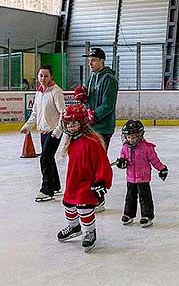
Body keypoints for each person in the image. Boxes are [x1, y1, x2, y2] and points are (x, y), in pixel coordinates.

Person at [56, 104, 112, 253]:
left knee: (84, 207)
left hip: (87, 183)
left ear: (83, 123)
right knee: (68, 204)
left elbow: (103, 164)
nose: (70, 126)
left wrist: (101, 181)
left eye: (74, 123)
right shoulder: (72, 139)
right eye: (68, 123)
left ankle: (89, 231)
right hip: (73, 180)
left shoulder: (92, 142)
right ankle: (75, 227)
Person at [76, 47, 119, 212]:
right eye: (89, 61)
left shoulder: (109, 79)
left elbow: (108, 105)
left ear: (102, 61)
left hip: (103, 127)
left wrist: (94, 114)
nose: (90, 63)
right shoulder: (92, 77)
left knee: (98, 164)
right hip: (90, 126)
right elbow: (88, 101)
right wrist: (84, 99)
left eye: (93, 60)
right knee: (88, 162)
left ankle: (99, 199)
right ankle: (91, 194)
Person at [20, 65, 65, 202]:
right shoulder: (39, 92)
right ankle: (55, 185)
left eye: (46, 76)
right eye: (41, 76)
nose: (43, 79)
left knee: (45, 158)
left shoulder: (56, 91)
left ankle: (47, 189)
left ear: (51, 77)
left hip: (54, 132)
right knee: (49, 158)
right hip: (43, 131)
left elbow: (63, 113)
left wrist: (57, 131)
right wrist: (27, 127)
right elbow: (35, 113)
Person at [115, 120, 168, 228]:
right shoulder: (125, 147)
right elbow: (123, 159)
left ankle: (147, 216)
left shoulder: (147, 148)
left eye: (134, 136)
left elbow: (154, 160)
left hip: (143, 178)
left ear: (140, 135)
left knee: (145, 198)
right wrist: (121, 163)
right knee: (130, 197)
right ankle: (129, 214)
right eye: (128, 137)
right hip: (130, 178)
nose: (131, 139)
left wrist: (162, 168)